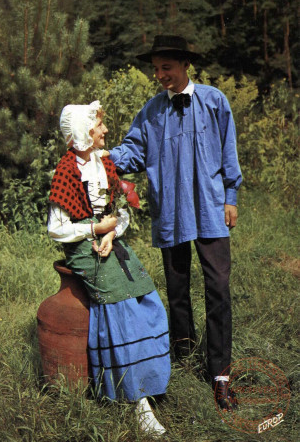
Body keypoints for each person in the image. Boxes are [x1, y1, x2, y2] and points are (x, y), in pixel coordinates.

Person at [104, 35, 242, 411]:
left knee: (218, 289)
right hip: (171, 213)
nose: (160, 74)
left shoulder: (215, 101)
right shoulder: (151, 111)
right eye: (156, 68)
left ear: (184, 65)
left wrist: (231, 196)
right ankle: (182, 359)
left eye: (166, 67)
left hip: (211, 210)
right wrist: (101, 156)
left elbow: (228, 150)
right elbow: (131, 151)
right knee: (177, 291)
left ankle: (220, 374)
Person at [47, 101, 171, 437]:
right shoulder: (67, 170)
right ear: (85, 133)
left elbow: (120, 212)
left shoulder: (104, 164)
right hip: (81, 249)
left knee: (145, 293)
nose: (104, 131)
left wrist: (113, 232)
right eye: (99, 126)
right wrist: (93, 231)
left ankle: (151, 382)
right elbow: (56, 228)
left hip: (106, 239)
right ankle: (135, 401)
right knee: (119, 302)